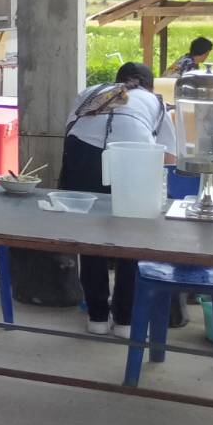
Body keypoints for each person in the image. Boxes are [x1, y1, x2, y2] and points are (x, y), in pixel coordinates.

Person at [62, 62, 178, 337]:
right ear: (150, 85)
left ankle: (97, 318)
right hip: (133, 154)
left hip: (82, 155)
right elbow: (169, 158)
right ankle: (125, 320)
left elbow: (71, 130)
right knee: (133, 236)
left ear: (118, 80)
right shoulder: (154, 101)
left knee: (92, 237)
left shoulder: (93, 91)